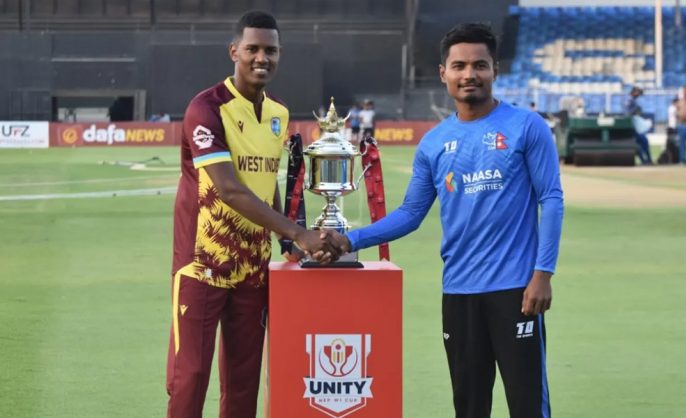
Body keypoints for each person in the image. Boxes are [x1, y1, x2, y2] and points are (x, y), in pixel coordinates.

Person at [318, 23, 563, 418]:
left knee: (527, 406)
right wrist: (349, 239)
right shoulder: (434, 142)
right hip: (459, 292)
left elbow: (551, 199)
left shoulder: (525, 126)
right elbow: (411, 213)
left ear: (495, 70)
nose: (470, 74)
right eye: (459, 66)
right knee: (468, 407)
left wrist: (543, 274)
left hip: (517, 290)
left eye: (480, 65)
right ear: (443, 73)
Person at [167, 11, 334, 418]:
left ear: (279, 54)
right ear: (234, 51)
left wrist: (283, 240)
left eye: (270, 50)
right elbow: (229, 189)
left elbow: (266, 182)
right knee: (190, 376)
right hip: (202, 263)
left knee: (243, 381)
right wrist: (297, 232)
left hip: (253, 266)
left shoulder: (279, 114)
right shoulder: (206, 108)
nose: (262, 58)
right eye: (252, 49)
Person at [625, 86, 653, 165]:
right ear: (634, 92)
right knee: (641, 142)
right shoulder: (629, 100)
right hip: (631, 126)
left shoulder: (632, 100)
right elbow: (627, 113)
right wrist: (635, 110)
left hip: (634, 125)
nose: (639, 95)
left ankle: (646, 160)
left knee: (642, 142)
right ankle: (645, 160)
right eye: (638, 93)